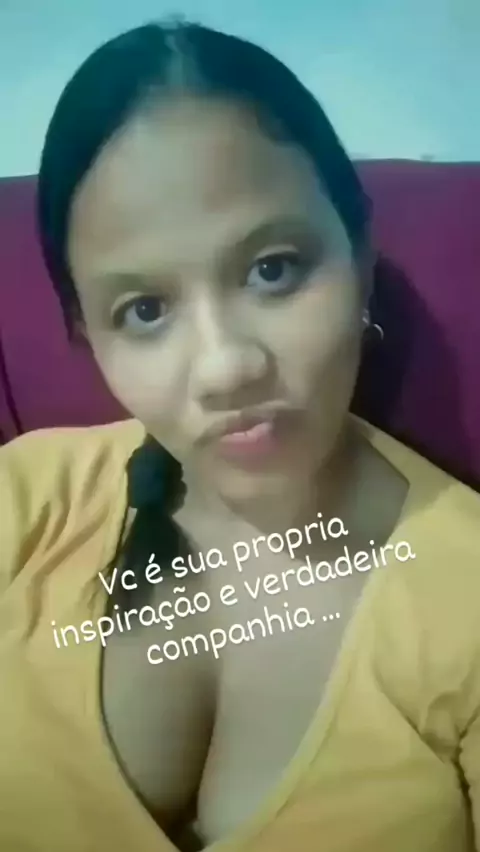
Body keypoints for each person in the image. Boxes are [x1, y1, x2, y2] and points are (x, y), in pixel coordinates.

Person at [0, 19, 479, 852]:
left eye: (273, 268)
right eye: (144, 310)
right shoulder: (25, 503)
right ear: (86, 334)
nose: (225, 367)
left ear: (361, 256)